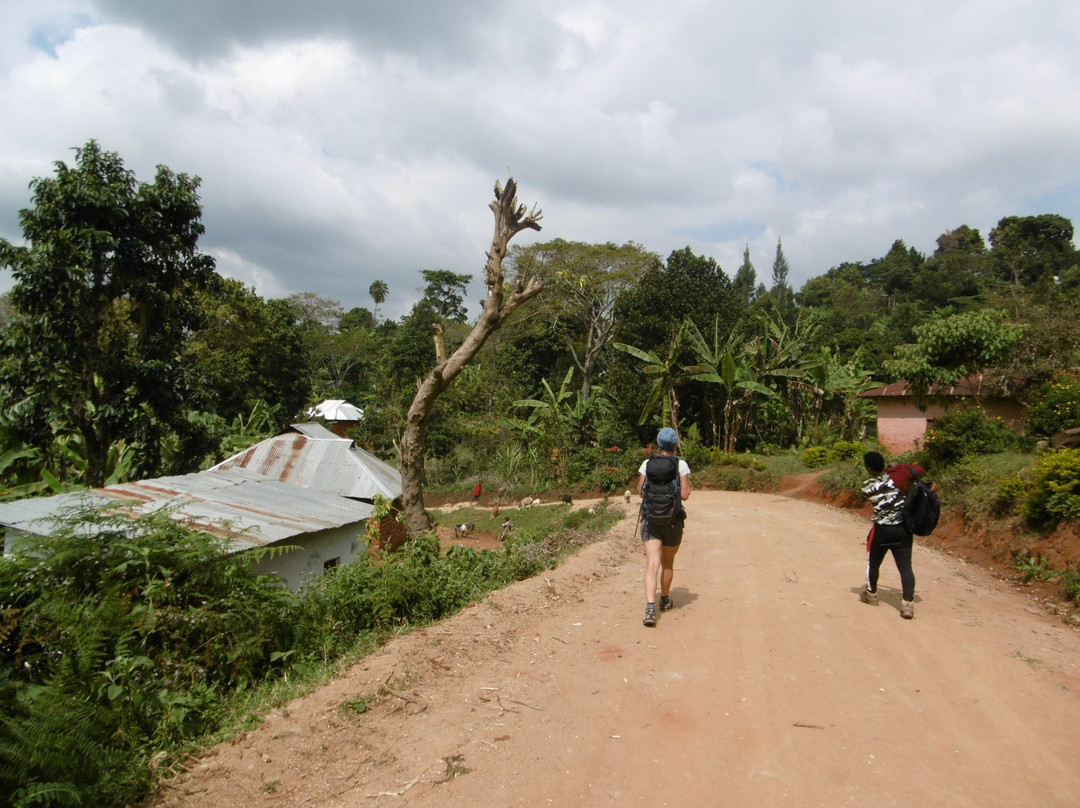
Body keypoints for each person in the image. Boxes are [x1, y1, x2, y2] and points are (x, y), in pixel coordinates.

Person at [637, 427, 692, 627]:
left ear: (658, 443)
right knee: (667, 564)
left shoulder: (647, 463)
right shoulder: (681, 465)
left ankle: (650, 607)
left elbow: (641, 491)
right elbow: (685, 495)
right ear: (674, 444)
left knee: (652, 564)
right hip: (672, 521)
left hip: (651, 519)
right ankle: (664, 599)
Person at [859, 451, 917, 619]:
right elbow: (919, 469)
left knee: (873, 562)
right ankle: (907, 604)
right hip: (903, 530)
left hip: (882, 531)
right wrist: (897, 467)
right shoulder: (898, 477)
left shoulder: (867, 487)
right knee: (905, 567)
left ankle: (871, 594)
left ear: (868, 468)